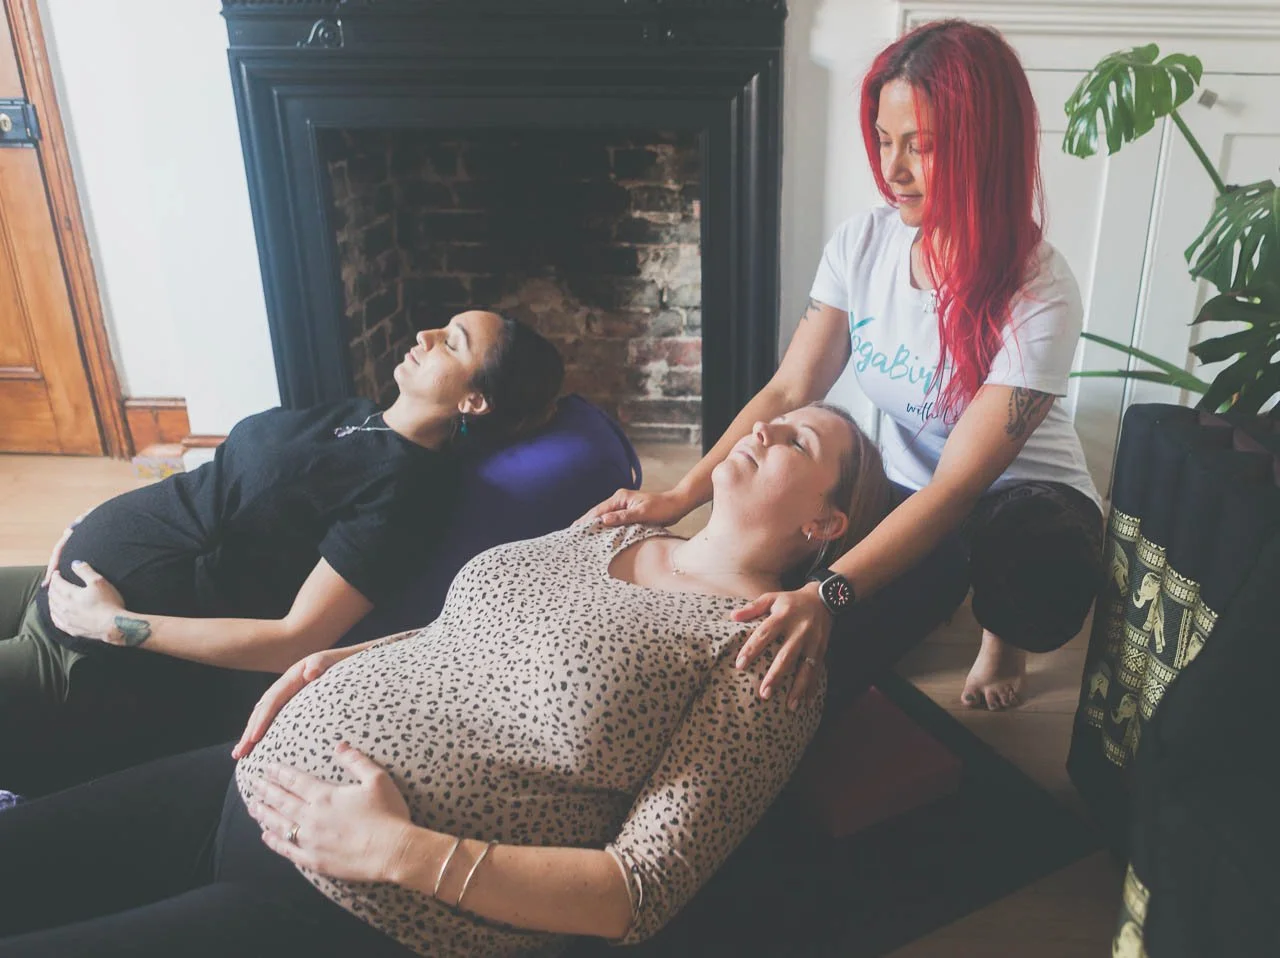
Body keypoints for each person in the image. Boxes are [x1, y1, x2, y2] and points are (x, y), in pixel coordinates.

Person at [0, 403, 888, 958]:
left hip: (354, 902)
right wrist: (341, 657)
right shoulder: (616, 528)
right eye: (773, 417)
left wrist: (398, 852)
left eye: (799, 439)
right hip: (248, 773)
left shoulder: (768, 658)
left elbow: (640, 889)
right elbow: (471, 628)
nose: (763, 427)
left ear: (827, 521)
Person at [586, 19, 1104, 712]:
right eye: (885, 141)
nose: (893, 171)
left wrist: (827, 594)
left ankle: (1002, 629)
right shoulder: (864, 244)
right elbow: (790, 388)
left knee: (999, 558)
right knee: (798, 631)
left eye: (922, 146)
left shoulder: (1040, 289)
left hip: (1019, 501)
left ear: (985, 149)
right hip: (907, 490)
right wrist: (681, 496)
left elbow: (958, 487)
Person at [0, 310, 564, 797]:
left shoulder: (406, 496)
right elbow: (228, 488)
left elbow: (297, 640)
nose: (425, 335)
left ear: (474, 400)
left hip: (87, 654)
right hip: (63, 584)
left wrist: (118, 626)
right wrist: (96, 521)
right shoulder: (358, 414)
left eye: (452, 342)